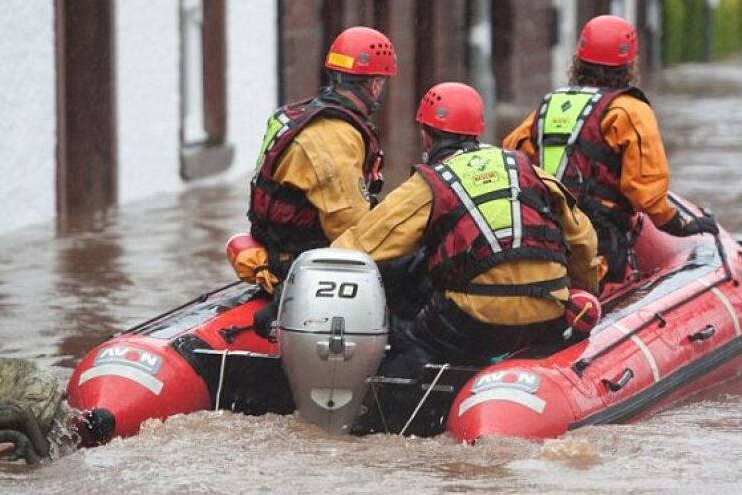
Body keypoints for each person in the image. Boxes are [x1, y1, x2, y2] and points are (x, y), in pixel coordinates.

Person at [331, 82, 601, 433]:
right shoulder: (526, 168)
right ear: (479, 130)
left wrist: (295, 282)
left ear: (427, 137)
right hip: (547, 311)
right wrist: (585, 290)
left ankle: (389, 427)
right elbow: (584, 238)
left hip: (475, 321)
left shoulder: (430, 183)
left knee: (404, 348)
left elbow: (361, 246)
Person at [502, 15, 715, 283]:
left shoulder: (551, 103)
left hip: (546, 227)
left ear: (578, 61)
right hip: (600, 236)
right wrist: (682, 224)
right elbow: (646, 192)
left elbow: (512, 154)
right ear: (630, 65)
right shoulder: (630, 111)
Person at [233, 26, 397, 333]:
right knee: (408, 271)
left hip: (280, 243)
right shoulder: (332, 136)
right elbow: (352, 233)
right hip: (301, 258)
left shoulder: (296, 114)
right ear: (375, 85)